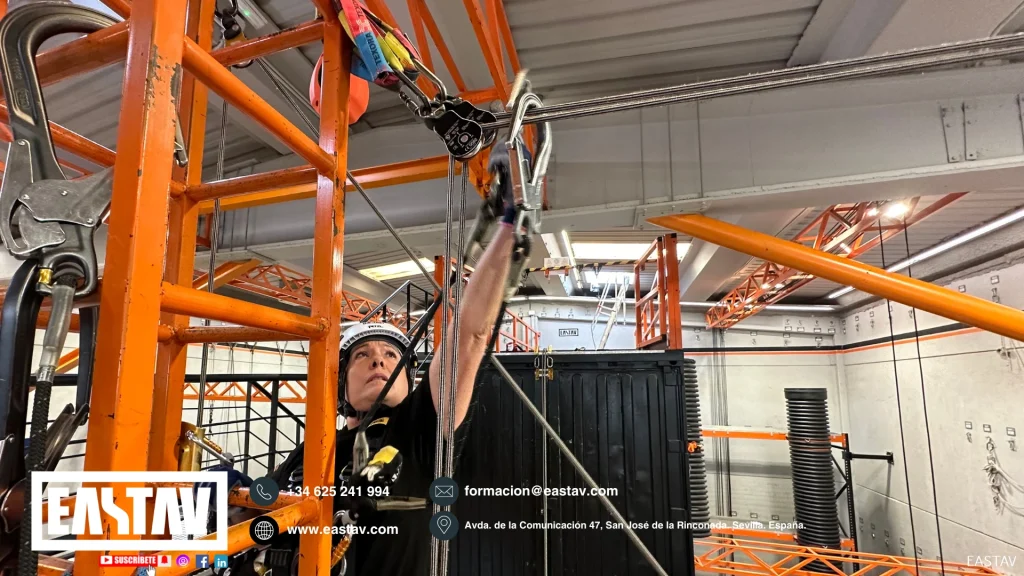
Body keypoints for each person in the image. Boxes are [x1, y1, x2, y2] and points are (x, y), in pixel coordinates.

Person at [248, 199, 518, 576]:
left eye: (392, 355)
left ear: (410, 380)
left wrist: (509, 228)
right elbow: (258, 518)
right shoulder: (313, 451)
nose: (379, 361)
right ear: (341, 385)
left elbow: (471, 333)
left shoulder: (419, 432)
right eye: (363, 355)